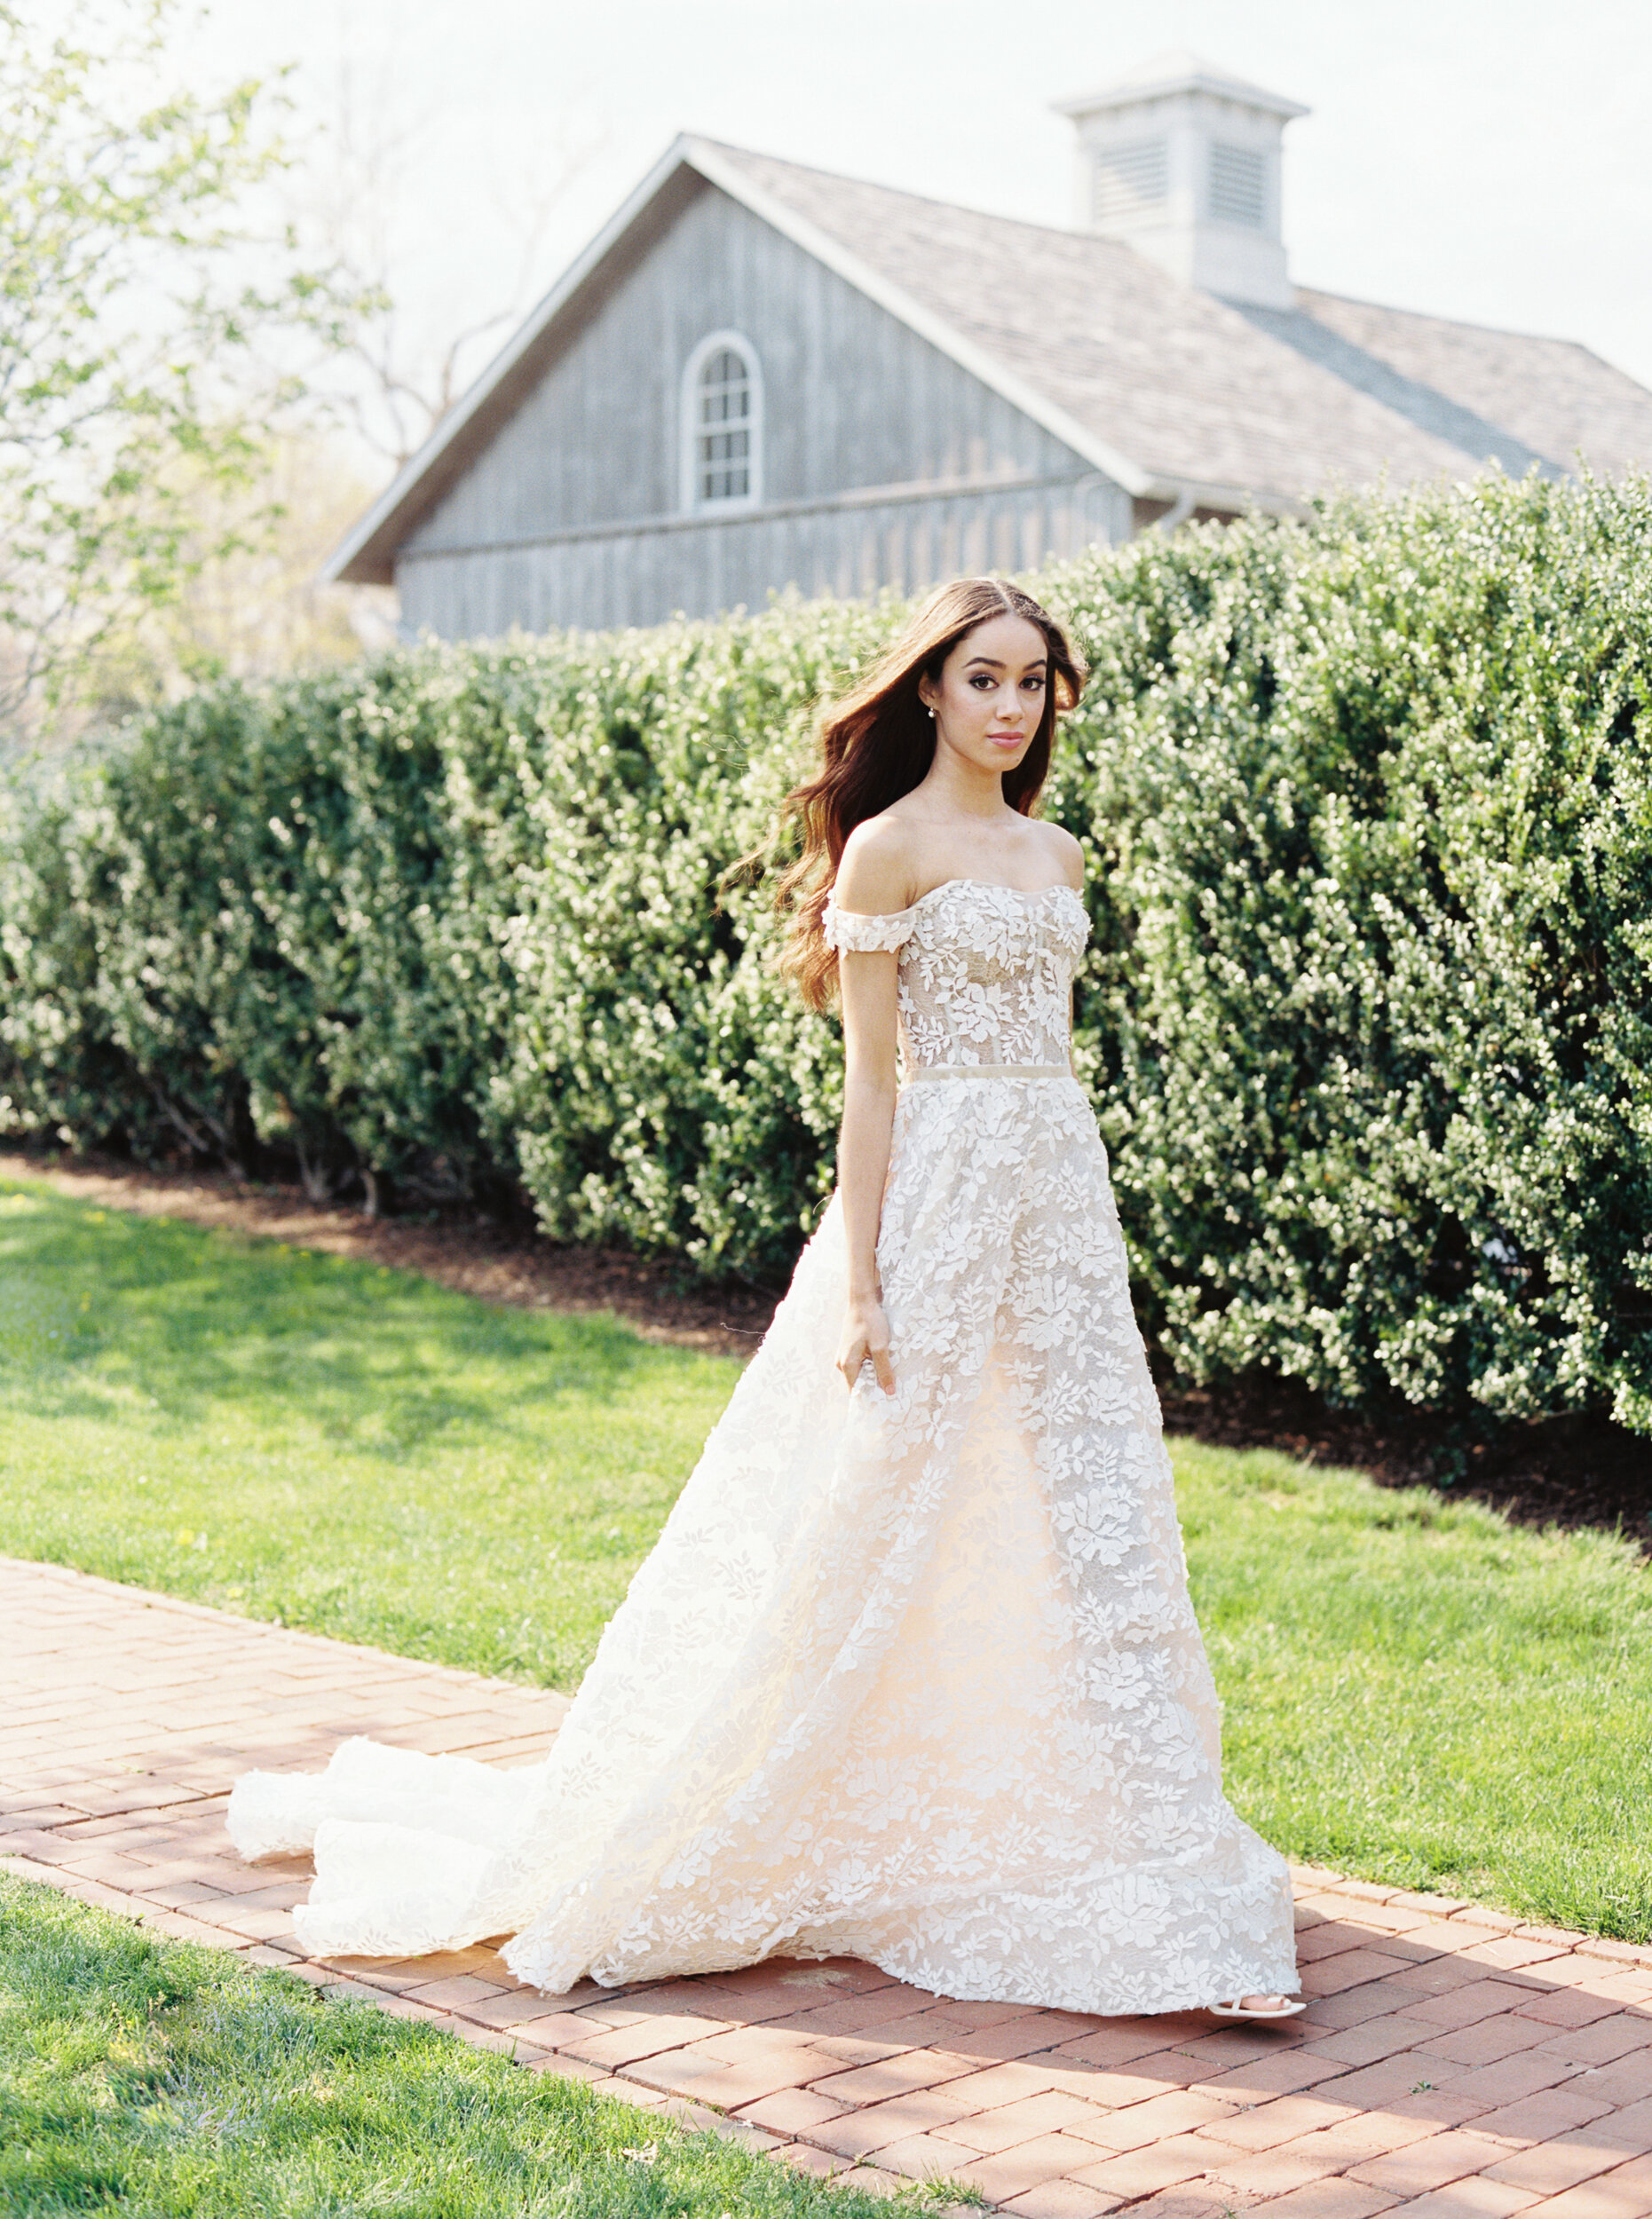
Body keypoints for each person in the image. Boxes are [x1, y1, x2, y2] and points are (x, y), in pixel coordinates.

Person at [228, 575, 1300, 2021]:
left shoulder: (1057, 855)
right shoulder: (886, 848)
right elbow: (875, 1082)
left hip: (1057, 1197)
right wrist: (859, 1283)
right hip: (935, 1190)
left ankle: (1124, 1830)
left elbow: (1043, 1060)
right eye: (981, 678)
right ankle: (764, 1793)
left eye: (1030, 683)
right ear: (928, 689)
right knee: (874, 1495)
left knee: (1074, 1494)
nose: (1007, 706)